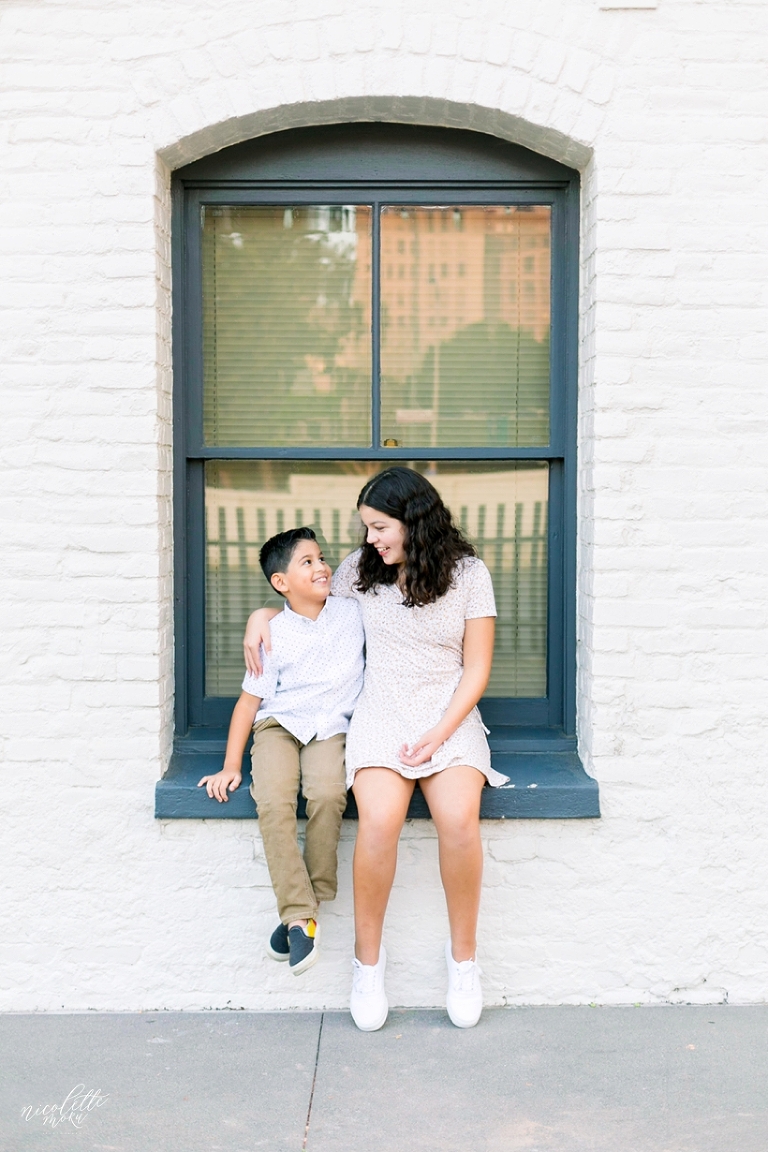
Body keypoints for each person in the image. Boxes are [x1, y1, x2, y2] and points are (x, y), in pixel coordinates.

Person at [244, 468, 506, 1028]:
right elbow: (300, 603)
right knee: (379, 823)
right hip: (380, 711)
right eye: (366, 529)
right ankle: (368, 965)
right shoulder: (360, 572)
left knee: (459, 821)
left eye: (380, 527)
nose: (371, 540)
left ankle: (464, 961)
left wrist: (441, 730)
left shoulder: (468, 574)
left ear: (414, 520)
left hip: (449, 710)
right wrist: (259, 615)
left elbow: (477, 666)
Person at [200, 527, 364, 975]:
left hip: (331, 727)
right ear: (281, 582)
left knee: (329, 793)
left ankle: (304, 907)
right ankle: (300, 914)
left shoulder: (353, 613)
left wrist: (260, 611)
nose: (321, 567)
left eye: (321, 558)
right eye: (306, 562)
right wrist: (231, 765)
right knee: (273, 800)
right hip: (278, 725)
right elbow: (249, 703)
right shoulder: (272, 632)